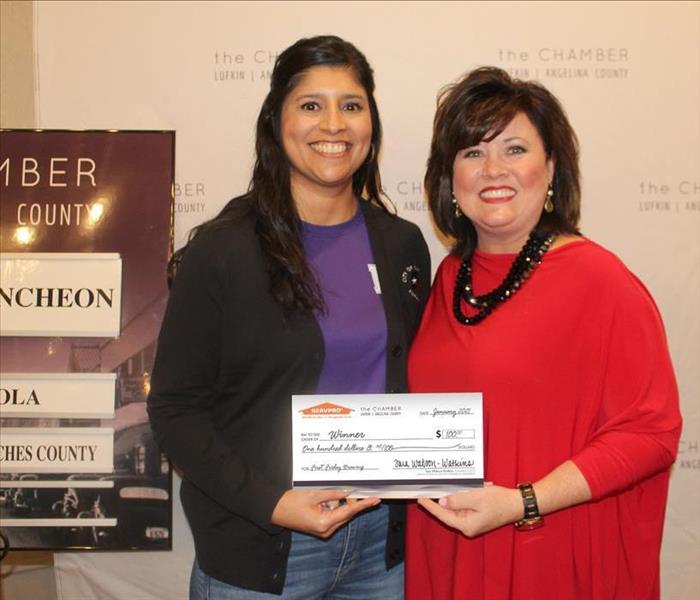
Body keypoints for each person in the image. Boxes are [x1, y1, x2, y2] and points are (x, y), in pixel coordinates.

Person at [146, 35, 430, 599]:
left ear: (371, 122)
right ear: (276, 120)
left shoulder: (403, 245)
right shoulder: (224, 251)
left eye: (351, 105)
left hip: (380, 545)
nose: (334, 124)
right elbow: (175, 409)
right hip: (263, 547)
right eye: (310, 105)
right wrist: (273, 504)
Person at [405, 67, 681, 600]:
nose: (492, 169)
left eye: (514, 149)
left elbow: (652, 433)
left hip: (546, 550)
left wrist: (523, 502)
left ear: (551, 168)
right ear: (449, 180)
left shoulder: (600, 281)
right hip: (451, 548)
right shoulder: (447, 279)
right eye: (471, 152)